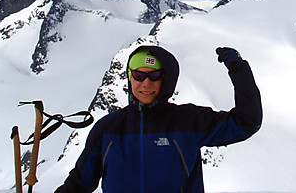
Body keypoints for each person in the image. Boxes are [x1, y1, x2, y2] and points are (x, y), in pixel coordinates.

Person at [55, 45, 262, 192]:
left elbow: (246, 122)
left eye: (154, 76)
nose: (145, 83)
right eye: (138, 75)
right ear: (129, 77)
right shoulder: (108, 129)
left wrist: (239, 72)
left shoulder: (187, 121)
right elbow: (79, 184)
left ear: (166, 80)